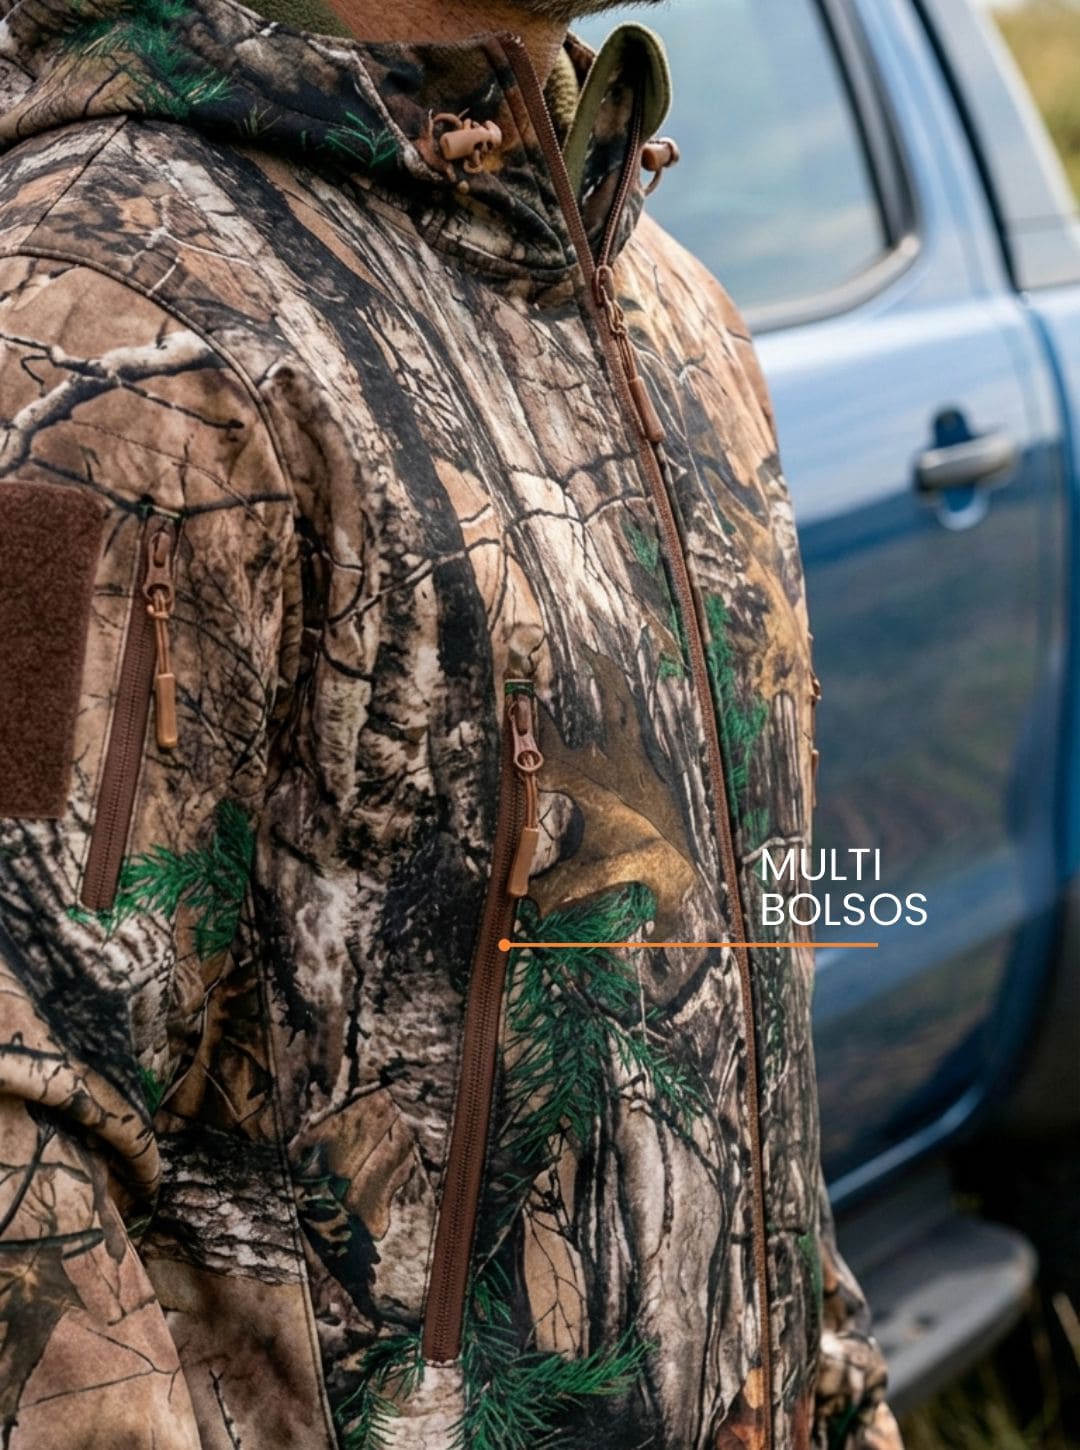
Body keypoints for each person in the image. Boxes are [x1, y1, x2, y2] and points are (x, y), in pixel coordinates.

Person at [0, 0, 902, 1444]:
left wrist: (833, 1396)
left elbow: (740, 1050)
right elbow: (22, 1162)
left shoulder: (672, 321)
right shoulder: (87, 336)